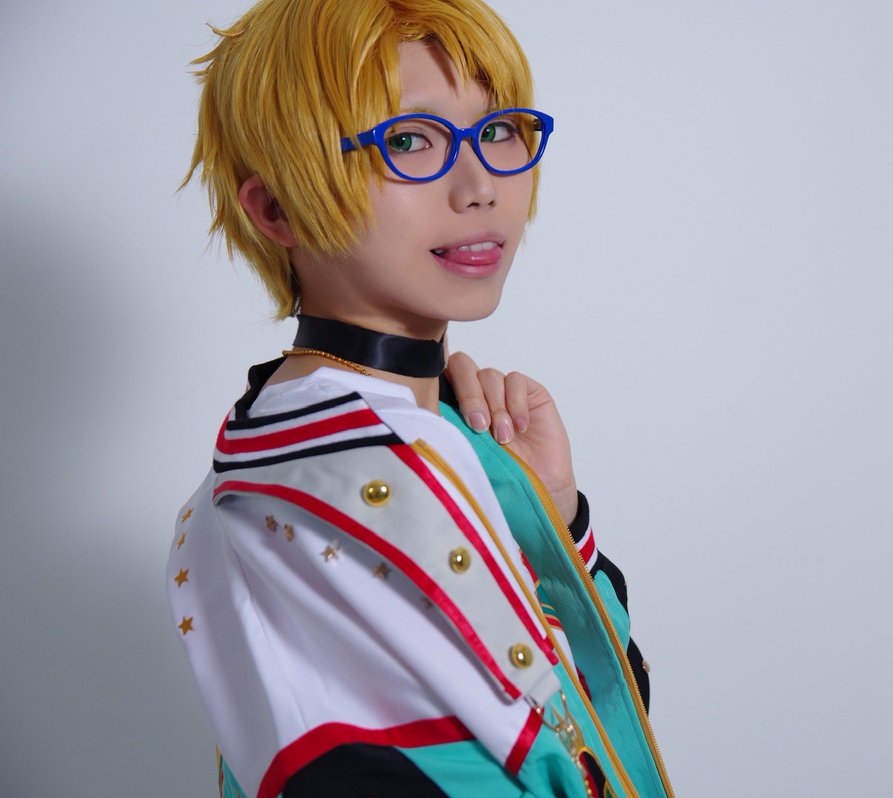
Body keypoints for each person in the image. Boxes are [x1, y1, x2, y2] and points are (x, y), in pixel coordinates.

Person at [166, 1, 673, 796]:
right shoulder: (288, 492)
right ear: (277, 209)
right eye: (408, 140)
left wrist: (553, 519)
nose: (480, 187)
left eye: (498, 130)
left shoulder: (433, 435)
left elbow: (605, 740)